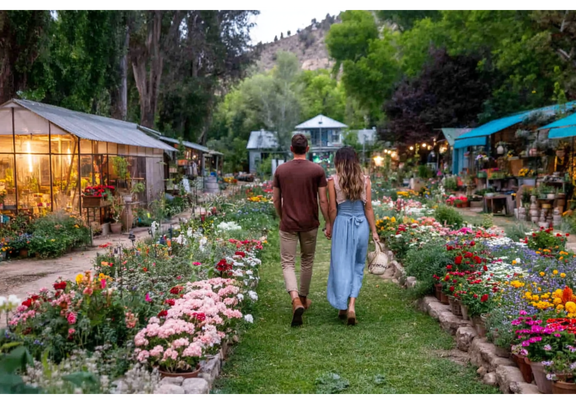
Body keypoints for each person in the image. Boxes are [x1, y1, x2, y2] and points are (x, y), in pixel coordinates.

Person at [273, 134, 331, 327]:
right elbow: (323, 200)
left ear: (291, 149)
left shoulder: (281, 170)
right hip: (309, 223)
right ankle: (304, 299)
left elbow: (275, 199)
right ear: (307, 149)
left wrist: (283, 217)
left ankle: (295, 299)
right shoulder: (317, 170)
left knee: (288, 263)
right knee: (307, 261)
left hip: (288, 223)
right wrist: (328, 221)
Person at [325, 147, 379, 325]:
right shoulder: (365, 180)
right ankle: (351, 306)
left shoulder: (333, 181)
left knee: (341, 265)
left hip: (342, 222)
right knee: (357, 265)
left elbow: (333, 208)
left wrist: (331, 226)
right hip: (361, 224)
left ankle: (342, 304)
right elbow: (368, 208)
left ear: (338, 161)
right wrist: (374, 231)